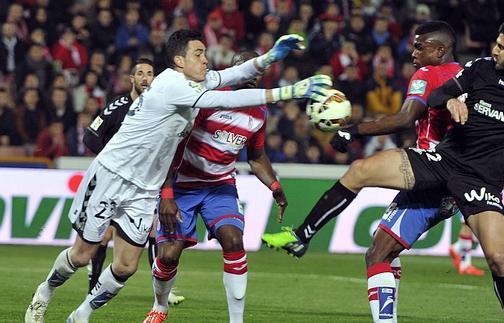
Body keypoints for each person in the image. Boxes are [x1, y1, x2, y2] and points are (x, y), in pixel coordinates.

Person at [265, 20, 504, 323]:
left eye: (501, 47)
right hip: (442, 160)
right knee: (360, 171)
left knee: (497, 258)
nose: (493, 49)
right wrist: (451, 100)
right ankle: (304, 235)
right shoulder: (481, 67)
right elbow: (440, 97)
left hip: (481, 181)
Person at [25, 29, 331, 323]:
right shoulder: (171, 84)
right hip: (112, 175)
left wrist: (271, 56)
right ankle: (45, 292)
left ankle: (82, 314)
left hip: (145, 188)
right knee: (81, 256)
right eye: (199, 54)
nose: (206, 60)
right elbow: (224, 99)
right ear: (179, 61)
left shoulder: (195, 81)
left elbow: (231, 76)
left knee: (126, 266)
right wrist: (292, 92)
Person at [143, 51, 288, 323]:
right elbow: (172, 144)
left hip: (219, 187)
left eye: (256, 71)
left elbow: (256, 156)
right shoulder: (207, 100)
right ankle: (160, 305)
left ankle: (236, 320)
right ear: (234, 71)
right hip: (182, 185)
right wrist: (166, 193)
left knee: (233, 239)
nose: (252, 75)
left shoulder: (259, 112)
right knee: (169, 255)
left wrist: (274, 185)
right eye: (245, 69)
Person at [82, 57, 185, 305]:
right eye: (140, 73)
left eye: (150, 73)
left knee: (152, 231)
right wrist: (114, 159)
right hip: (114, 179)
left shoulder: (161, 108)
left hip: (146, 183)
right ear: (132, 78)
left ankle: (161, 292)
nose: (145, 78)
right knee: (104, 235)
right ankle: (93, 287)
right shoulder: (118, 106)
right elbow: (90, 136)